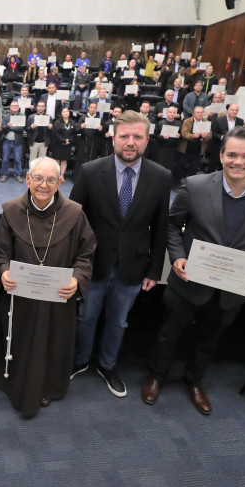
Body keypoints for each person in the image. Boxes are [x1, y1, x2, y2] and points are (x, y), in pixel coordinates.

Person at [143, 127, 245, 415]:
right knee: (169, 333)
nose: (239, 162)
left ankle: (195, 381)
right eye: (232, 154)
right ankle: (156, 375)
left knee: (209, 339)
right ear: (221, 155)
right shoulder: (195, 186)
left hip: (233, 288)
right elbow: (172, 225)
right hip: (189, 281)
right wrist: (178, 257)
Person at [70, 111, 170, 397]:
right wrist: (73, 264)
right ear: (113, 138)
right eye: (124, 136)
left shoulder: (161, 177)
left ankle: (107, 365)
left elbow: (161, 227)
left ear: (147, 140)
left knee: (119, 321)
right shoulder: (90, 171)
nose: (130, 142)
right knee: (86, 317)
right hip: (92, 264)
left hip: (133, 267)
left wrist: (154, 270)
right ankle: (80, 361)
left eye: (137, 137)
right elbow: (74, 220)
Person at [0, 155, 95, 418]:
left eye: (50, 179)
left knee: (53, 341)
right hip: (20, 298)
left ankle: (48, 386)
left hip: (57, 298)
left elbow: (87, 254)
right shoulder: (11, 210)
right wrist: (3, 273)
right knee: (20, 341)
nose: (43, 185)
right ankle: (14, 382)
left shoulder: (75, 213)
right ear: (27, 179)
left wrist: (76, 279)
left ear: (60, 182)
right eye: (37, 178)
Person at [208, 104, 242, 173]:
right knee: (212, 167)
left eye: (236, 110)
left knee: (225, 169)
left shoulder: (240, 121)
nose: (234, 112)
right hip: (217, 147)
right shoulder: (218, 120)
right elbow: (214, 134)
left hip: (231, 149)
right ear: (227, 110)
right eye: (232, 110)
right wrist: (221, 137)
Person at [0, 100, 25, 183]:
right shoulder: (6, 116)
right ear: (10, 107)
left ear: (18, 107)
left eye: (16, 105)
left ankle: (18, 174)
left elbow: (21, 128)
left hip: (17, 142)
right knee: (5, 159)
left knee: (18, 159)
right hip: (7, 141)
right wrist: (7, 125)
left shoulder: (22, 116)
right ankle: (4, 174)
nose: (15, 107)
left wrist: (11, 127)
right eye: (13, 105)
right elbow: (3, 128)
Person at [51, 106, 77, 178]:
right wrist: (63, 140)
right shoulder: (57, 122)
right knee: (57, 160)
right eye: (64, 112)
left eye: (67, 111)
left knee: (64, 160)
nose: (65, 113)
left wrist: (69, 140)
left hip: (68, 144)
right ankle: (55, 175)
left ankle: (62, 175)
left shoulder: (72, 122)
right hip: (58, 144)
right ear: (61, 113)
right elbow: (56, 133)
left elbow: (74, 133)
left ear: (69, 112)